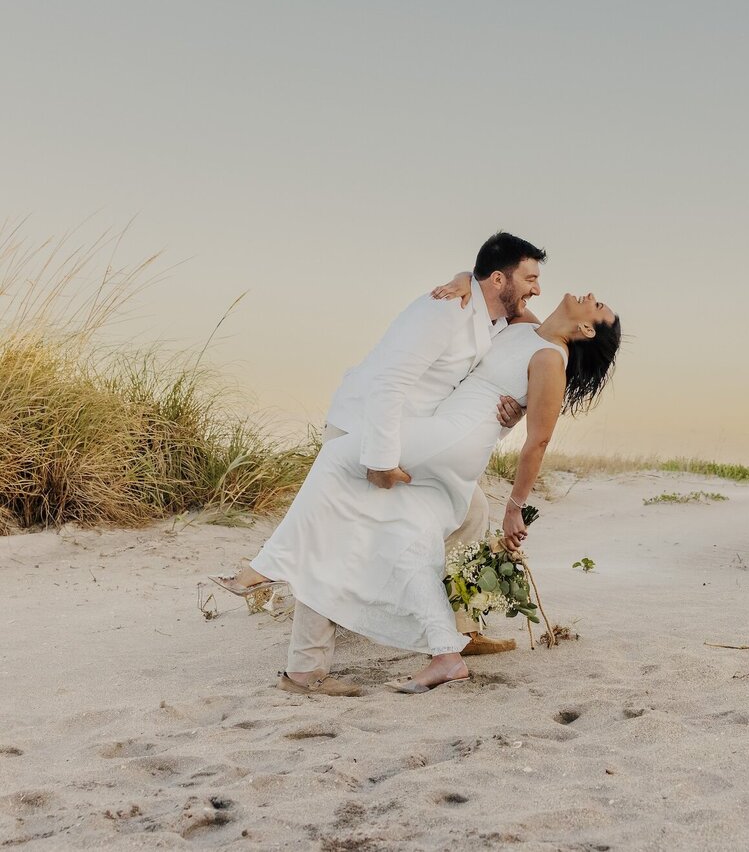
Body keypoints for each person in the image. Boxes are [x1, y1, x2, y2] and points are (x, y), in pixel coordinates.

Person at [214, 289, 621, 696]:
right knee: (413, 542)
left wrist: (515, 506)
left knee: (340, 457)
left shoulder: (551, 359)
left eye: (598, 306)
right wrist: (465, 277)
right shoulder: (529, 327)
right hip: (445, 436)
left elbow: (539, 443)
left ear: (586, 328)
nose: (591, 296)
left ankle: (266, 567)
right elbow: (498, 291)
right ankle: (448, 656)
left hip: (453, 439)